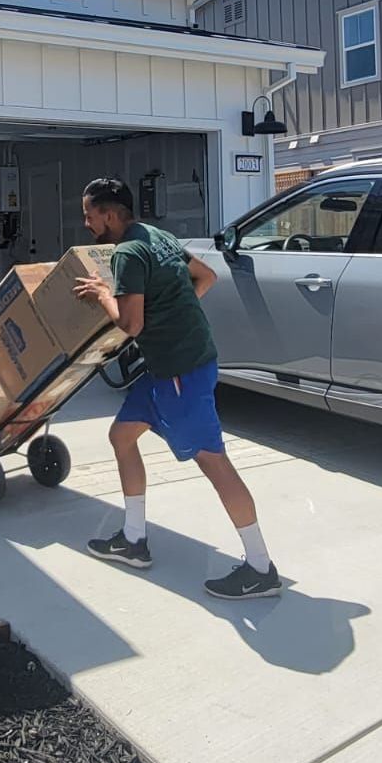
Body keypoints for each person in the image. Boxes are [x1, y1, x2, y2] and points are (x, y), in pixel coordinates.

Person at [72, 176, 281, 599]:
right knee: (122, 436)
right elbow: (205, 278)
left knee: (214, 462)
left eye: (90, 216)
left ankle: (261, 568)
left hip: (181, 375)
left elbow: (131, 324)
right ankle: (133, 540)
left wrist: (101, 295)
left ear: (110, 215)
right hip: (172, 366)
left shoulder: (129, 252)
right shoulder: (158, 236)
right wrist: (172, 317)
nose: (88, 225)